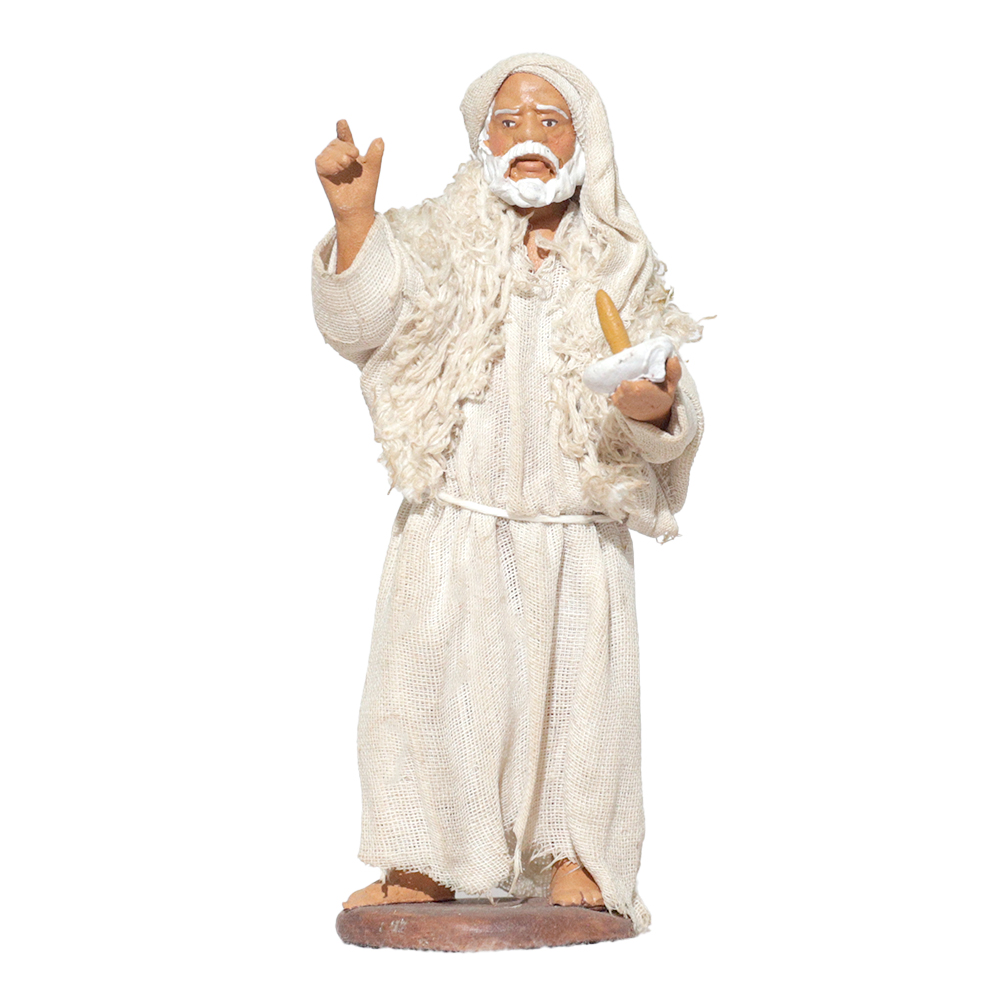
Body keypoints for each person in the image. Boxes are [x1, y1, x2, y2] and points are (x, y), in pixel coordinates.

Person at [311, 53, 704, 932]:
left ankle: (580, 855)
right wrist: (355, 224)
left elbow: (668, 382)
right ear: (482, 138)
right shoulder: (432, 243)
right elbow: (362, 323)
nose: (529, 137)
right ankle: (423, 861)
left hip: (575, 531)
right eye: (510, 120)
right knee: (424, 696)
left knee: (580, 710)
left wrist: (656, 406)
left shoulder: (621, 264)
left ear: (584, 142)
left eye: (550, 121)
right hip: (453, 523)